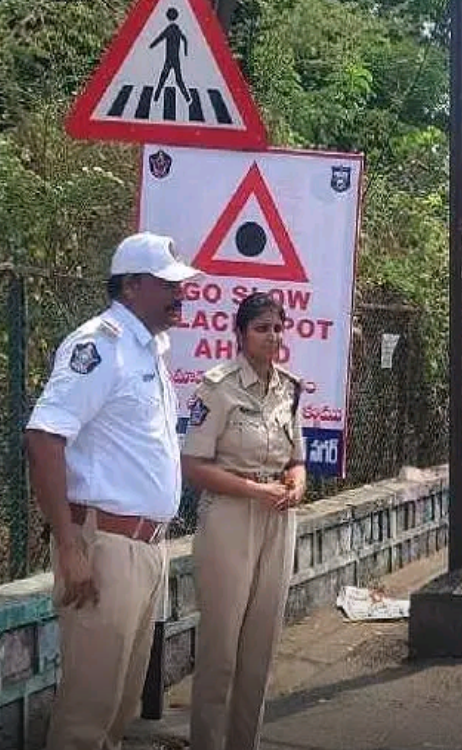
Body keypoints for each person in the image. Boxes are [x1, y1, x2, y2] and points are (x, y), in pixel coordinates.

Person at [23, 232, 200, 750]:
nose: (180, 294)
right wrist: (69, 545)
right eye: (168, 285)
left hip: (145, 549)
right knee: (88, 712)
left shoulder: (149, 350)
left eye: (181, 285)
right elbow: (44, 437)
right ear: (131, 286)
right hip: (104, 548)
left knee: (119, 707)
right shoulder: (100, 346)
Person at [182, 292, 307, 750]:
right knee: (221, 648)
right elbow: (193, 466)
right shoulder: (217, 388)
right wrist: (255, 490)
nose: (272, 337)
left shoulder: (290, 388)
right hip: (230, 518)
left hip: (278, 520)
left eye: (277, 328)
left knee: (261, 647)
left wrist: (297, 483)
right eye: (261, 328)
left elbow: (296, 458)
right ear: (239, 334)